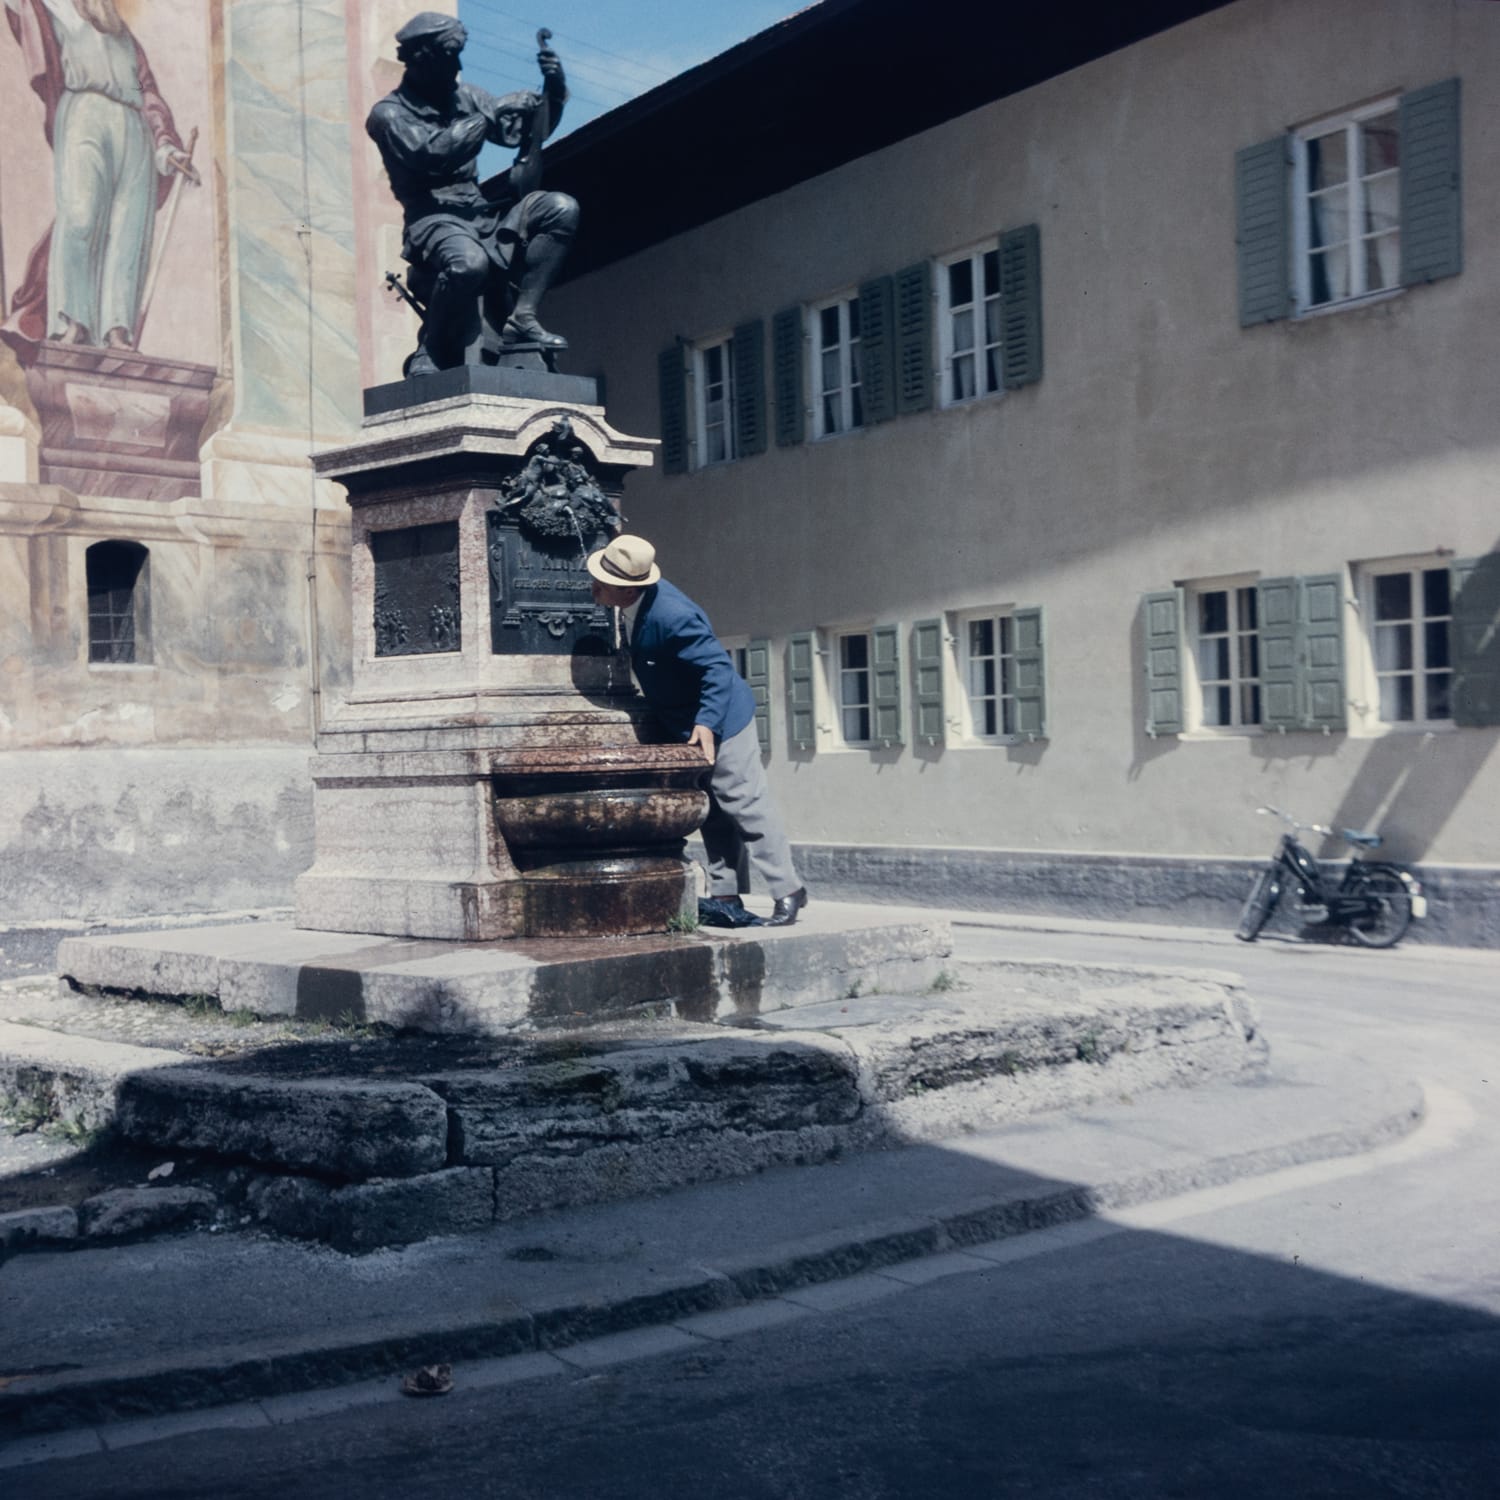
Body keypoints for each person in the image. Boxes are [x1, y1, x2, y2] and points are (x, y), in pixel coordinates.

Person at [587, 534, 808, 928]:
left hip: (721, 717)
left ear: (628, 588)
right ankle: (725, 895)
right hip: (686, 721)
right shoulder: (631, 605)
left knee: (746, 805)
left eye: (603, 581)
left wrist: (707, 723)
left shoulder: (672, 614)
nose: (594, 586)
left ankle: (788, 890)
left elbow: (717, 669)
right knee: (714, 812)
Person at [366, 11, 578, 376]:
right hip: (431, 221)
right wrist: (492, 114)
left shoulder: (465, 97)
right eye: (450, 59)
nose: (458, 67)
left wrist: (553, 93)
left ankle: (522, 318)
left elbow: (524, 132)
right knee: (469, 264)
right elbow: (431, 154)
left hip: (481, 214)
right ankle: (432, 345)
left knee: (560, 207)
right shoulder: (388, 115)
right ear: (423, 59)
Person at [3, 0, 198, 350]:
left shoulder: (123, 36)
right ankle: (73, 321)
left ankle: (117, 331)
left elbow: (147, 91)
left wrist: (166, 144)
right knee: (79, 218)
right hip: (84, 115)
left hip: (134, 130)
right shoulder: (55, 11)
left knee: (128, 232)